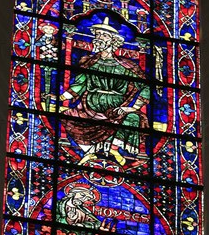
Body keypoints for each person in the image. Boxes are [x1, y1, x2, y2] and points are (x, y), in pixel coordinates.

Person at [60, 17, 150, 165]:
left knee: (133, 118)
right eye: (98, 35)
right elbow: (79, 85)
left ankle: (113, 149)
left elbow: (145, 86)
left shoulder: (126, 66)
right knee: (67, 116)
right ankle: (90, 152)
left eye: (104, 36)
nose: (99, 38)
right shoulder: (89, 62)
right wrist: (61, 97)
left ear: (113, 41)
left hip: (116, 106)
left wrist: (132, 107)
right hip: (90, 105)